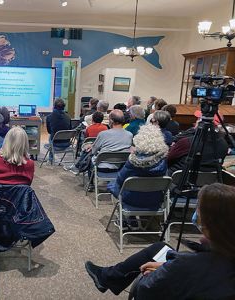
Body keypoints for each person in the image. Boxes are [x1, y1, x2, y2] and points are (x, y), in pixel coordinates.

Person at [85, 183, 235, 299]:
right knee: (160, 247)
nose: (196, 213)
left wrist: (155, 274)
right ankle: (106, 277)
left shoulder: (186, 265)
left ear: (209, 221)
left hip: (174, 282)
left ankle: (106, 277)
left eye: (198, 209)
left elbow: (145, 293)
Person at [107, 124, 168, 211]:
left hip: (131, 198)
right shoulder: (163, 160)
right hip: (154, 199)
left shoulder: (133, 161)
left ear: (139, 139)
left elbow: (120, 179)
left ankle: (127, 218)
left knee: (112, 184)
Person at [46, 98, 72, 163]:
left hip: (55, 144)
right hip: (67, 144)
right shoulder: (68, 117)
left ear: (54, 106)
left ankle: (51, 160)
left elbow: (49, 131)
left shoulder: (49, 117)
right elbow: (70, 130)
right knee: (54, 135)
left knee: (51, 136)